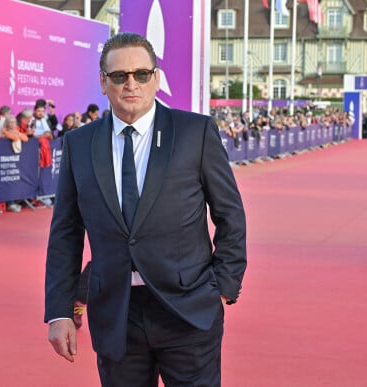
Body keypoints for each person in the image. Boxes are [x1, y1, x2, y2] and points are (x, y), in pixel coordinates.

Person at [45, 32, 247, 386]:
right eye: (119, 76)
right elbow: (66, 232)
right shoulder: (79, 144)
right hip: (116, 313)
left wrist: (223, 285)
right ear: (103, 82)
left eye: (141, 74)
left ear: (155, 79)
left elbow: (230, 214)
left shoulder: (194, 132)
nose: (130, 84)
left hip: (188, 309)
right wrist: (59, 311)